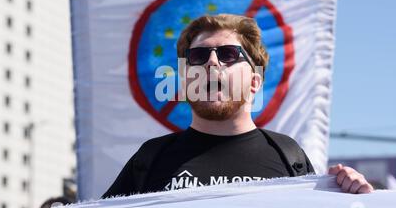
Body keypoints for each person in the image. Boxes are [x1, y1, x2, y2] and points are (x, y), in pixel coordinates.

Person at [102, 14, 374, 198]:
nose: (211, 63)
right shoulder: (150, 158)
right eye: (197, 56)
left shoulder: (289, 157)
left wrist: (350, 197)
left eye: (228, 55)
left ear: (254, 82)